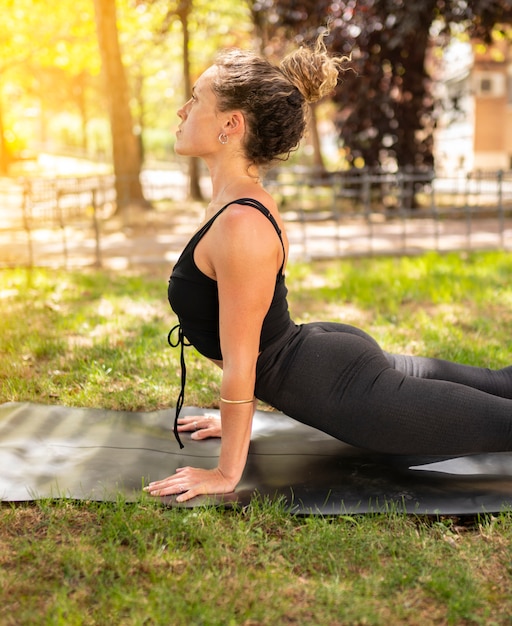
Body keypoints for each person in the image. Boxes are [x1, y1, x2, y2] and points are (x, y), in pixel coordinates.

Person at [144, 33, 512, 503]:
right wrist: (233, 418)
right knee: (501, 384)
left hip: (340, 387)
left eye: (195, 100)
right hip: (321, 358)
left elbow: (242, 364)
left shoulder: (240, 222)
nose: (182, 110)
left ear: (230, 124)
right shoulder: (235, 201)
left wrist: (225, 472)